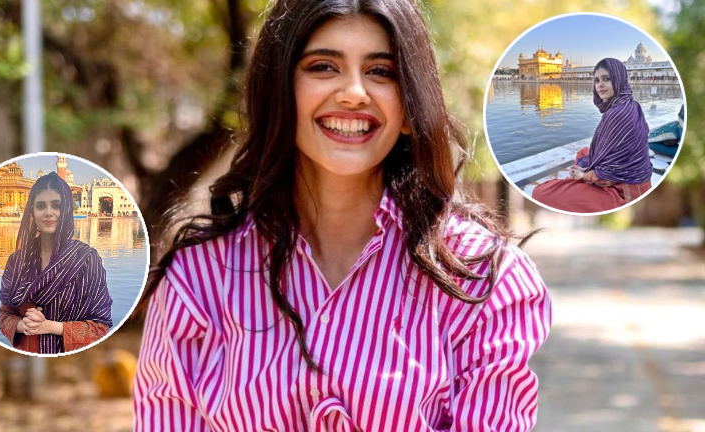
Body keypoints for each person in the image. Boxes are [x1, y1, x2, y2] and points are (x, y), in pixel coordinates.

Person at [133, 0, 551, 430]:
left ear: (409, 109)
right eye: (322, 67)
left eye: (381, 72)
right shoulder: (198, 281)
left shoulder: (482, 279)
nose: (354, 92)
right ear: (280, 92)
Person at [0, 171, 113, 354]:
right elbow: (5, 316)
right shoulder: (16, 261)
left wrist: (50, 327)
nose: (48, 213)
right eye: (41, 206)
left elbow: (100, 327)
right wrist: (23, 325)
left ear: (67, 211)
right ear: (32, 212)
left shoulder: (86, 260)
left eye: (56, 205)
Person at [532, 58, 653, 213]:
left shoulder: (617, 113)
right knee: (583, 153)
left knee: (541, 192)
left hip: (624, 192)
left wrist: (582, 175)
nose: (599, 85)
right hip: (638, 179)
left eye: (606, 79)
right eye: (596, 80)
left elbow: (608, 178)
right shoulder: (630, 104)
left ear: (619, 79)